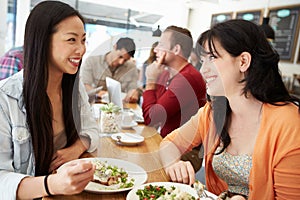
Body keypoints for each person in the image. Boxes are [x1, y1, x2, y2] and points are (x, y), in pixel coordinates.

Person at [159, 19, 300, 199]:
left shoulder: (288, 123)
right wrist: (173, 164)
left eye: (212, 58)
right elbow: (169, 144)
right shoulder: (213, 112)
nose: (203, 70)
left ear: (243, 61)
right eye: (202, 61)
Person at [0, 1, 99, 199]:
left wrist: (75, 149)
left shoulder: (74, 87)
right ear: (43, 41)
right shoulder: (6, 97)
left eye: (83, 40)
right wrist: (51, 184)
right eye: (72, 40)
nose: (81, 49)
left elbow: (93, 131)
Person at [142, 25, 206, 138]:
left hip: (184, 152)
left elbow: (151, 118)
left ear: (176, 49)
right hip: (167, 142)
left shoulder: (187, 78)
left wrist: (151, 81)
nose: (155, 50)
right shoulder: (166, 73)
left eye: (161, 45)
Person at [80, 37, 139, 102]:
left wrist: (134, 93)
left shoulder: (131, 68)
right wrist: (96, 93)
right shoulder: (92, 61)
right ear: (115, 47)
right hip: (95, 103)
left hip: (119, 107)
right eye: (120, 56)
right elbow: (85, 85)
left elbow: (133, 88)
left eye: (125, 60)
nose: (121, 62)